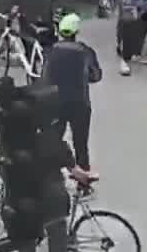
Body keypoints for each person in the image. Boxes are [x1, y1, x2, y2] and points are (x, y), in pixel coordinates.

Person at [41, 12, 102, 176]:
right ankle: (84, 179)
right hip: (80, 103)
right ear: (76, 32)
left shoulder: (50, 51)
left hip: (55, 103)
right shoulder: (85, 51)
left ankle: (52, 177)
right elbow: (96, 76)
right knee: (81, 144)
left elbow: (44, 78)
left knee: (54, 141)